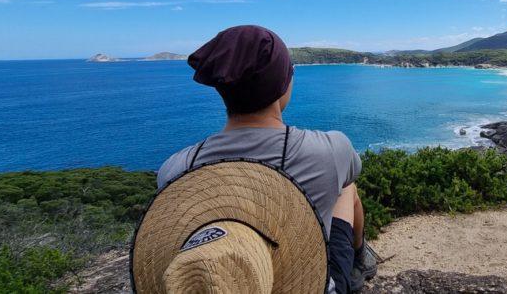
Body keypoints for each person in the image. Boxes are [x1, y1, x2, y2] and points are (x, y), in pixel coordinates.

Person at [156, 25, 377, 293]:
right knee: (346, 185)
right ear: (283, 85)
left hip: (224, 280)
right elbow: (354, 170)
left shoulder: (175, 170)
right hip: (315, 284)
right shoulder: (330, 150)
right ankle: (360, 260)